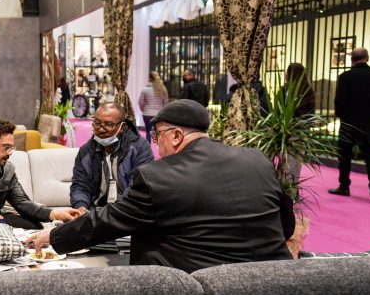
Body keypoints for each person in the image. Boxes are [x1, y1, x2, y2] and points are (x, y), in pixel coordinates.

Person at [29, 99, 294, 273]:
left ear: (176, 136)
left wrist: (56, 235)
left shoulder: (158, 175)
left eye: (157, 136)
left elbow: (110, 220)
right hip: (272, 279)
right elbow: (286, 224)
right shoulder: (258, 160)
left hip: (201, 286)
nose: (155, 144)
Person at [328, 48, 370, 202]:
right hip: (369, 122)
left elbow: (339, 100)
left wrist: (341, 114)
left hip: (349, 122)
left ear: (352, 60)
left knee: (345, 156)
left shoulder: (345, 76)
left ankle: (344, 186)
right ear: (367, 58)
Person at [70, 102, 154, 212]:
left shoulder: (139, 148)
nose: (101, 129)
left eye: (108, 124)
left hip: (128, 211)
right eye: (97, 123)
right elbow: (80, 185)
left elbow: (137, 189)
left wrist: (112, 214)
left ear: (122, 127)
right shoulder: (87, 151)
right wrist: (81, 207)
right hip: (96, 212)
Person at [281, 63, 316, 185]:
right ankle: (291, 188)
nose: (285, 74)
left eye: (287, 72)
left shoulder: (288, 90)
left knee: (288, 163)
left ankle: (288, 188)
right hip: (300, 132)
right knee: (295, 163)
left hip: (290, 131)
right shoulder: (308, 91)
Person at [138, 71, 169, 142]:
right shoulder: (163, 89)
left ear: (149, 78)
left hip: (147, 114)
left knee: (148, 131)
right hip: (159, 113)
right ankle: (159, 146)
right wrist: (163, 112)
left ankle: (148, 147)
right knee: (159, 132)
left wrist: (143, 110)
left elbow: (140, 102)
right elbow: (166, 102)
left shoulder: (145, 89)